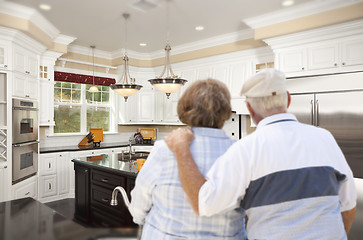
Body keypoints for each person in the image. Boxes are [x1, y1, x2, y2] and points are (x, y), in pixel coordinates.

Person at [165, 68, 357, 240]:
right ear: (288, 99)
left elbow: (204, 204)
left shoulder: (245, 150)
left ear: (249, 108)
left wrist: (182, 148)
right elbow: (348, 207)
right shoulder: (325, 138)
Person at [128, 79, 247, 239]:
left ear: (185, 108)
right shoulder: (242, 153)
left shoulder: (164, 149)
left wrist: (140, 219)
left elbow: (140, 201)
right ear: (225, 111)